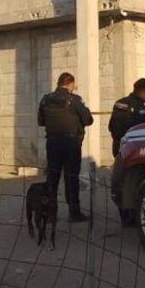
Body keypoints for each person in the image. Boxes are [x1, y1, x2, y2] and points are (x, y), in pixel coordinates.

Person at [37, 72, 94, 222]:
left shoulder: (46, 99)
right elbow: (88, 120)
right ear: (70, 84)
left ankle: (50, 214)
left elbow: (40, 121)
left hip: (53, 143)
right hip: (71, 144)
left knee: (52, 178)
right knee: (71, 178)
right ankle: (74, 213)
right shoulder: (74, 100)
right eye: (74, 85)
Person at [108, 78, 145, 157]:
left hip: (118, 147)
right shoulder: (141, 109)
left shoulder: (119, 103)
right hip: (133, 150)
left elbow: (111, 126)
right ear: (143, 92)